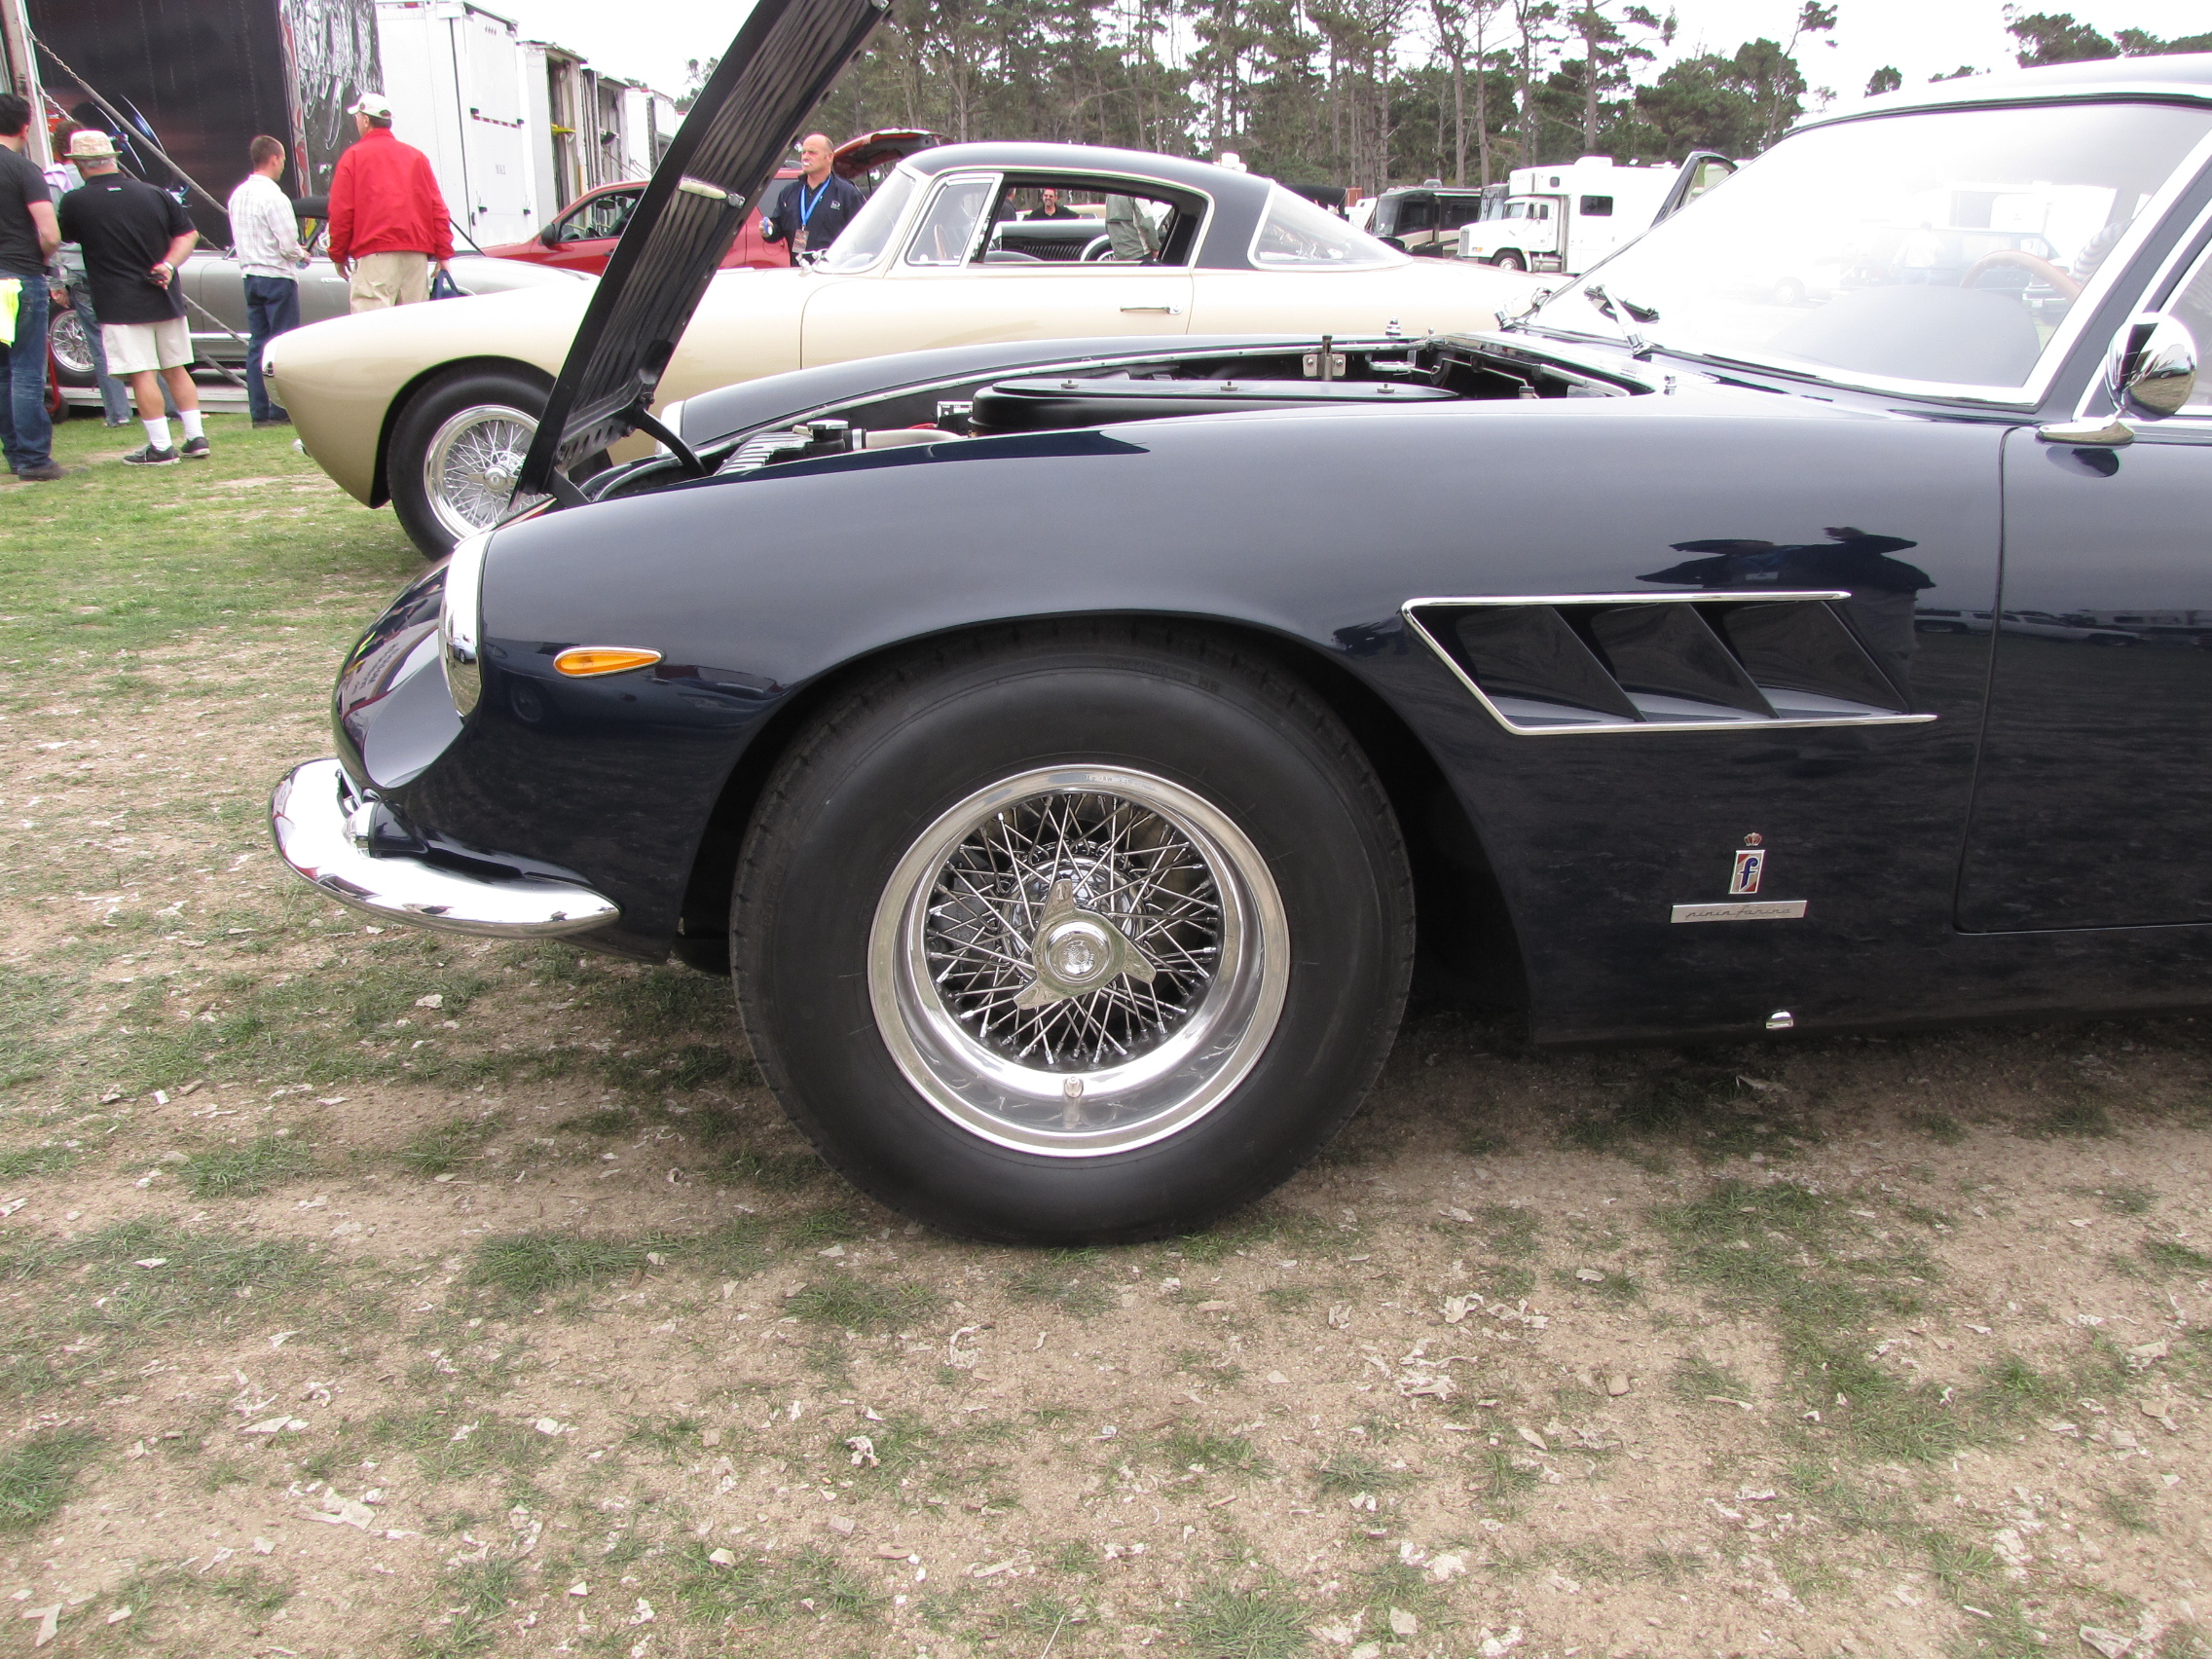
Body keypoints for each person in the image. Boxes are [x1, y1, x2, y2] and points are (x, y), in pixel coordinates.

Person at [56, 129, 207, 465]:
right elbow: (188, 234)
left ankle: (160, 445)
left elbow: (67, 237)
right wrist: (167, 265)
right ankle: (196, 438)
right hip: (164, 291)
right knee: (175, 369)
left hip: (118, 300)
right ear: (114, 159)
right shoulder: (155, 194)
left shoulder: (76, 202)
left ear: (80, 164)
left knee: (142, 373)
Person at [326, 93, 451, 311]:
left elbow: (341, 212)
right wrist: (444, 254)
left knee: (372, 331)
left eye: (357, 117)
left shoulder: (353, 157)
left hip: (375, 255)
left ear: (365, 120)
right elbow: (437, 209)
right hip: (415, 256)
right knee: (413, 328)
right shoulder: (416, 157)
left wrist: (338, 254)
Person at [44, 121, 132, 426]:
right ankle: (170, 406)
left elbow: (52, 232)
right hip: (116, 263)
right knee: (134, 336)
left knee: (98, 341)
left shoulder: (53, 181)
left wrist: (55, 279)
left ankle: (118, 413)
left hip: (78, 267)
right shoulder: (113, 177)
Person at [0, 92, 63, 481]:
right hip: (20, 277)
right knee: (26, 370)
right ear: (25, 128)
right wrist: (39, 258)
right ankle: (34, 459)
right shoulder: (23, 170)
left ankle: (14, 454)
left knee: (3, 372)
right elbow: (51, 234)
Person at [226, 134, 306, 426]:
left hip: (250, 274)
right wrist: (302, 255)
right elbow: (287, 244)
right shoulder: (275, 197)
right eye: (283, 159)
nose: (283, 165)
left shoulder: (238, 195)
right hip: (277, 275)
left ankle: (259, 410)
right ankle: (281, 410)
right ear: (273, 158)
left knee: (257, 344)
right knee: (281, 347)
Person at [759, 133, 863, 259]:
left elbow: (862, 234)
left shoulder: (847, 193)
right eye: (803, 152)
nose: (805, 157)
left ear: (829, 157)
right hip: (800, 270)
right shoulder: (789, 192)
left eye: (812, 153)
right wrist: (768, 230)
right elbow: (777, 229)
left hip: (833, 272)